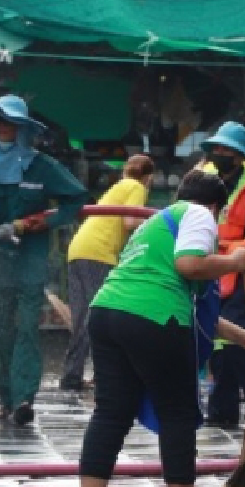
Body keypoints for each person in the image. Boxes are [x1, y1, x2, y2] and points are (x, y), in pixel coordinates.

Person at [73, 173, 245, 487]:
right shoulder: (199, 214)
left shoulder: (156, 222)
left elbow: (185, 302)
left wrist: (242, 336)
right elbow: (188, 266)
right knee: (178, 412)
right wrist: (235, 263)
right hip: (154, 317)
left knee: (111, 412)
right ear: (216, 207)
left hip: (107, 312)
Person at [0, 95, 87, 426]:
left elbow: (75, 198)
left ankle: (25, 399)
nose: (5, 128)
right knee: (0, 331)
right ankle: (5, 399)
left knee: (28, 326)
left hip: (29, 257)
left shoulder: (41, 165)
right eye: (0, 121)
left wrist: (36, 223)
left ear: (23, 128)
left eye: (12, 123)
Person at [199, 123, 245, 428]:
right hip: (213, 269)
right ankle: (225, 408)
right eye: (216, 149)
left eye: (226, 150)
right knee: (216, 342)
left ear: (239, 155)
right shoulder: (208, 183)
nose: (220, 154)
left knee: (236, 341)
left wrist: (240, 252)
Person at [62, 155, 153, 395]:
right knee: (100, 316)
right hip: (99, 252)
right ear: (149, 177)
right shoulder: (136, 187)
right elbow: (130, 221)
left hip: (78, 249)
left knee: (84, 315)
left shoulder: (118, 186)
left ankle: (73, 376)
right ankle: (103, 375)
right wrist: (157, 220)